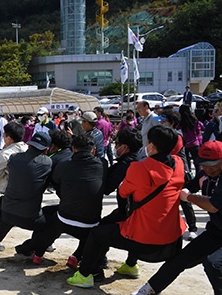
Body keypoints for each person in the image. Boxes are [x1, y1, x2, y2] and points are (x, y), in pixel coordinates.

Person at [67, 125, 186, 289]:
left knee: (98, 232)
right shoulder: (178, 164)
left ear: (151, 145)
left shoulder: (139, 168)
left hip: (145, 238)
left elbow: (123, 192)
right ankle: (130, 265)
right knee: (135, 217)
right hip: (171, 235)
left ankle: (85, 275)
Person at [132, 140, 222, 295]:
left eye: (212, 164)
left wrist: (190, 197)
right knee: (178, 261)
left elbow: (212, 206)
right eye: (203, 164)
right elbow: (186, 186)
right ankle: (148, 290)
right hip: (216, 231)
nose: (207, 168)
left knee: (213, 263)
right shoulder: (205, 174)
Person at [16, 134, 105, 268]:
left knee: (51, 223)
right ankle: (76, 257)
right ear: (93, 150)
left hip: (65, 218)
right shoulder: (102, 164)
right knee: (89, 232)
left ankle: (38, 253)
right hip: (91, 222)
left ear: (73, 149)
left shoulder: (64, 165)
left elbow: (56, 180)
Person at [0, 132, 53, 253]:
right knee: (49, 226)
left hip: (7, 210)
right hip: (30, 216)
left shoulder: (14, 158)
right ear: (46, 149)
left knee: (4, 222)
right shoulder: (47, 162)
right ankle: (28, 248)